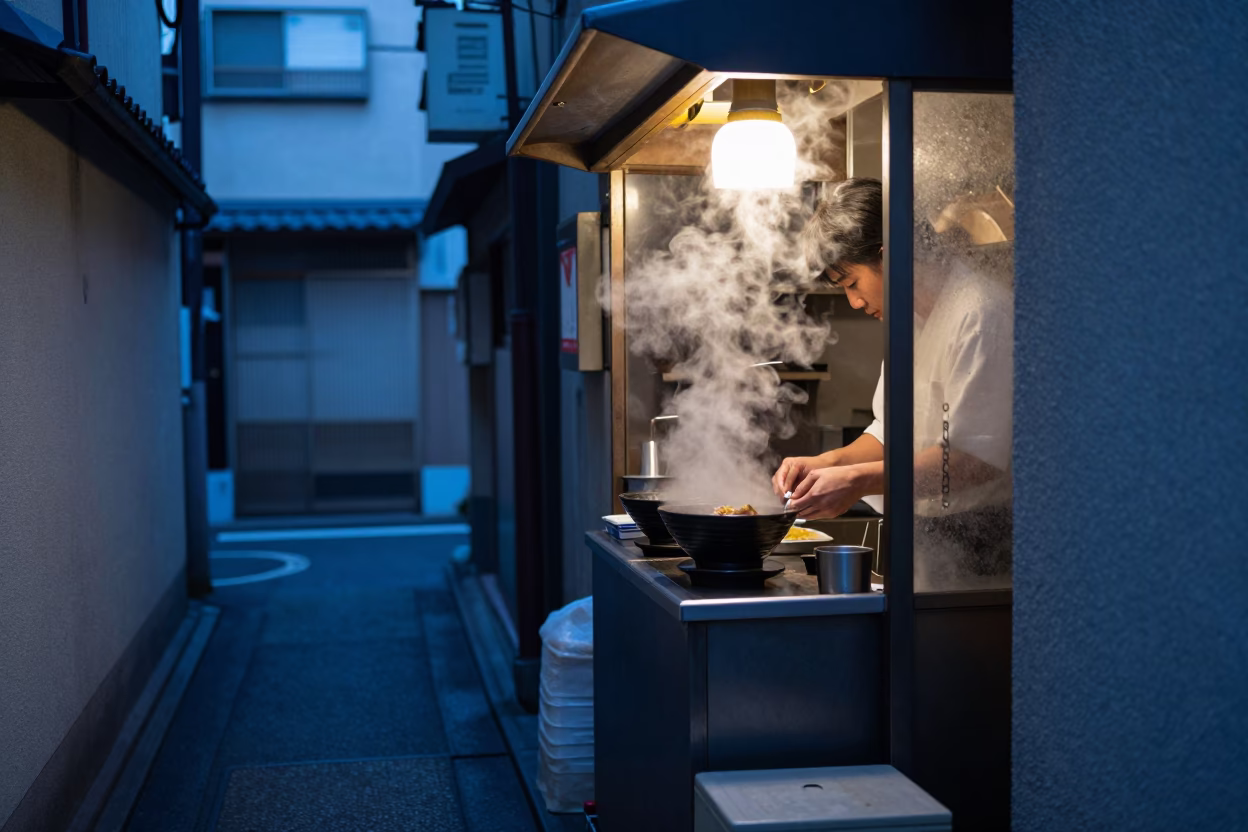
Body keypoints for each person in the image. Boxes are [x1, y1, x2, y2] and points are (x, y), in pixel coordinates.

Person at [773, 177, 1013, 583]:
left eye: (852, 282)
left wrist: (856, 480)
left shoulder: (981, 315)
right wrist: (824, 464)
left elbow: (976, 460)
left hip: (983, 545)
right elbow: (890, 432)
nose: (855, 301)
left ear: (890, 257)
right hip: (922, 535)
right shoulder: (909, 323)